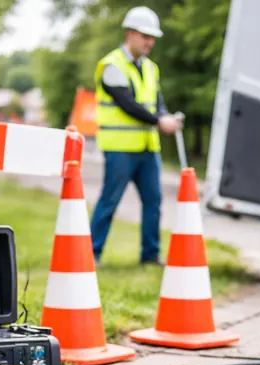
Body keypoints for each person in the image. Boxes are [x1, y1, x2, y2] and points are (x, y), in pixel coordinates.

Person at [90, 6, 183, 265]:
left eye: (152, 38)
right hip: (120, 148)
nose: (150, 42)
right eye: (145, 36)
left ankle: (150, 255)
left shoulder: (151, 68)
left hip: (147, 148)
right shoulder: (111, 66)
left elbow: (157, 102)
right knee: (110, 201)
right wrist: (158, 120)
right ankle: (91, 254)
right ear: (130, 34)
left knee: (153, 201)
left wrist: (166, 117)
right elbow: (127, 104)